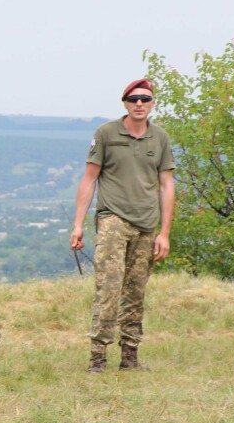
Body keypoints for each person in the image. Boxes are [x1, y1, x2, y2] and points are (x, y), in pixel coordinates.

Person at [70, 78, 175, 372]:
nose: (139, 104)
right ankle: (98, 358)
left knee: (135, 290)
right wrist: (78, 225)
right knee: (109, 287)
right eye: (133, 99)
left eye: (145, 99)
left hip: (146, 224)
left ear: (153, 103)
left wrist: (164, 233)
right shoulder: (106, 133)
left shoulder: (160, 138)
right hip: (113, 219)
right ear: (125, 103)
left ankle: (130, 357)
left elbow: (167, 185)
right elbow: (89, 179)